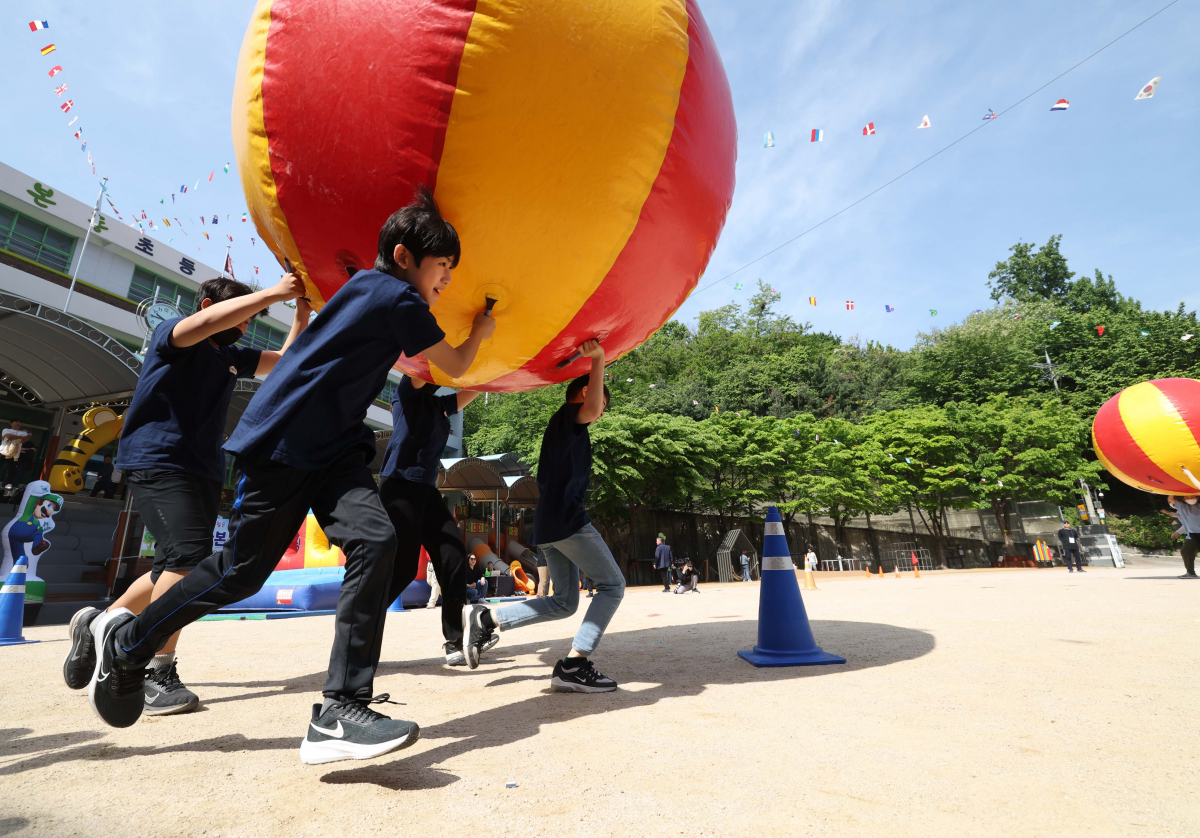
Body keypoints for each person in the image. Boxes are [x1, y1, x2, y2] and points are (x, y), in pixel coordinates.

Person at [85, 187, 497, 766]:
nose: (447, 278)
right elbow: (454, 365)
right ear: (405, 256)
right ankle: (129, 645)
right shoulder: (395, 295)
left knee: (375, 540)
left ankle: (340, 710)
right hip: (284, 443)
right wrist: (484, 329)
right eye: (443, 265)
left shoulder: (365, 288)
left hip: (334, 450)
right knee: (239, 574)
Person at [62, 274, 311, 716]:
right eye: (245, 313)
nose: (247, 324)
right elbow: (203, 325)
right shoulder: (173, 333)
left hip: (203, 468)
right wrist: (273, 292)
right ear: (209, 304)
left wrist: (301, 313)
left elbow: (288, 362)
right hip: (158, 460)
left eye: (253, 317)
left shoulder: (230, 356)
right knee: (187, 560)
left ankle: (100, 621)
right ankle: (155, 667)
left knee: (169, 566)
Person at [462, 341, 624, 693]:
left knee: (564, 602)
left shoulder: (568, 431)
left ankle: (487, 618)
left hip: (551, 524)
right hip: (567, 522)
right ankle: (574, 664)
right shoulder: (569, 418)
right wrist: (597, 358)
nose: (600, 414)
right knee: (613, 586)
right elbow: (591, 404)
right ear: (584, 393)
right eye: (601, 407)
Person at [376, 373, 482, 665]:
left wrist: (495, 371)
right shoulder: (404, 394)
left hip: (427, 491)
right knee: (405, 568)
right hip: (399, 486)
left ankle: (455, 641)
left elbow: (475, 387)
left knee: (454, 555)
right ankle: (360, 626)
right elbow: (424, 368)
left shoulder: (440, 406)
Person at [1166, 496, 1200, 580]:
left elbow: (1171, 500)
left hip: (1194, 534)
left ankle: (1191, 573)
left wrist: (1172, 489)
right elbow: (1184, 521)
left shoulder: (1184, 508)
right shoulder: (1184, 508)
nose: (1190, 498)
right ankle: (1190, 572)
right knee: (1187, 552)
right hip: (1193, 534)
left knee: (1186, 552)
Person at [1, 419, 31, 488]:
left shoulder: (24, 433)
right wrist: (19, 437)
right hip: (3, 451)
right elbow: (8, 436)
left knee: (11, 469)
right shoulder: (6, 430)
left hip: (15, 453)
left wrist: (13, 437)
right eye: (16, 422)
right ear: (11, 423)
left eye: (19, 422)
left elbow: (24, 440)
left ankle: (9, 484)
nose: (18, 423)